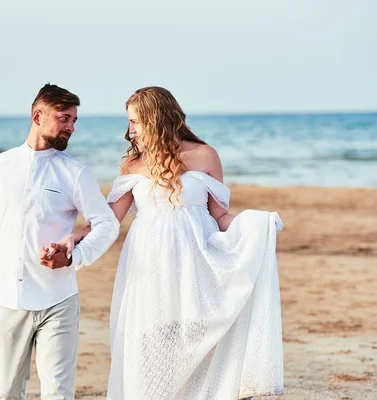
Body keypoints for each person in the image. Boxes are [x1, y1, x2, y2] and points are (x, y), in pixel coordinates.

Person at [52, 87, 284, 399]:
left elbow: (220, 216)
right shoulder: (133, 165)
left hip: (196, 262)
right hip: (149, 264)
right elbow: (109, 219)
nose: (130, 130)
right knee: (152, 338)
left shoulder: (205, 156)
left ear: (156, 118)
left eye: (136, 121)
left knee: (198, 338)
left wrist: (257, 225)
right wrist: (74, 237)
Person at [0, 84, 120, 400]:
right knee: (8, 392)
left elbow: (107, 224)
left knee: (58, 393)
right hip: (10, 299)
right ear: (38, 116)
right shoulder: (0, 166)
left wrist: (74, 257)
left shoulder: (75, 173)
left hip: (59, 299)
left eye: (74, 121)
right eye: (63, 118)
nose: (70, 127)